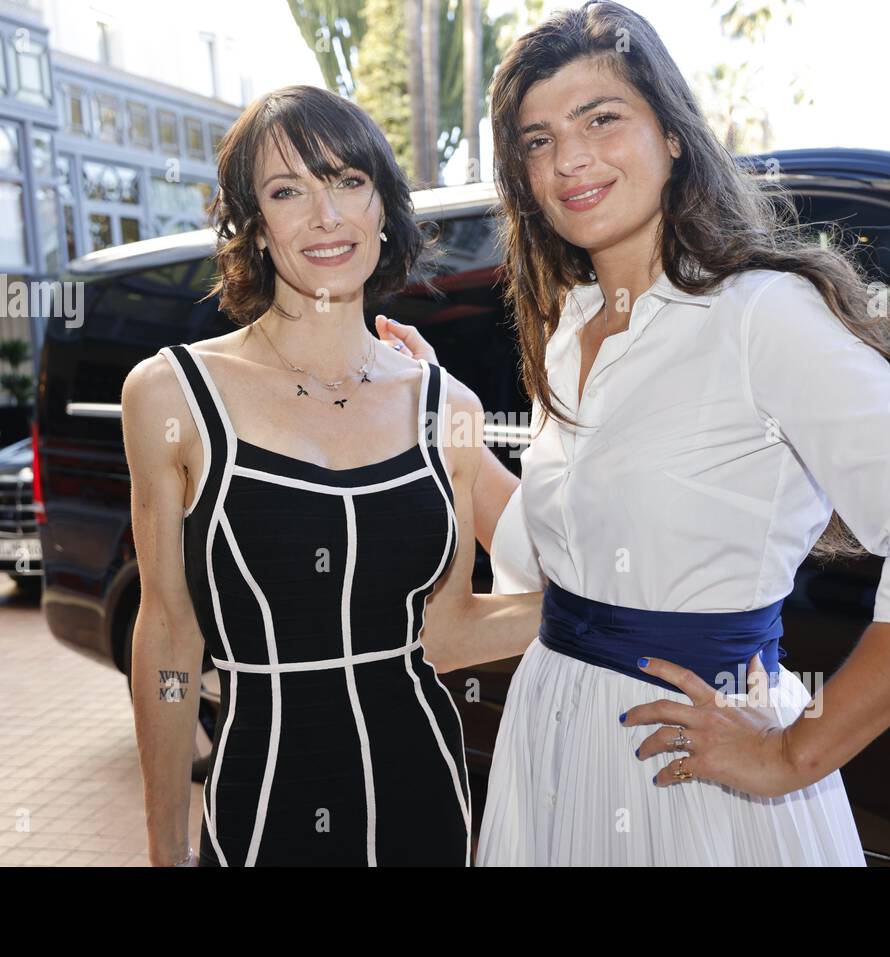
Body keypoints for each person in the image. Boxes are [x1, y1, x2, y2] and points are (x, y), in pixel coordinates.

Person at [380, 1, 890, 865]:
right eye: (536, 141)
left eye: (600, 119)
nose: (568, 157)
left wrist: (793, 751)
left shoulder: (762, 315)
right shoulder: (571, 325)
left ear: (674, 136)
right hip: (552, 739)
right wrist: (449, 415)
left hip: (690, 769)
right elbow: (551, 561)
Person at [122, 85, 541, 867]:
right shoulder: (170, 393)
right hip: (263, 810)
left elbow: (444, 633)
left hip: (428, 807)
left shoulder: (446, 403)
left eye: (349, 181)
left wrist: (599, 609)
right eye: (288, 191)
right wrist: (165, 843)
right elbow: (170, 638)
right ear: (251, 224)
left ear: (383, 207)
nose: (326, 215)